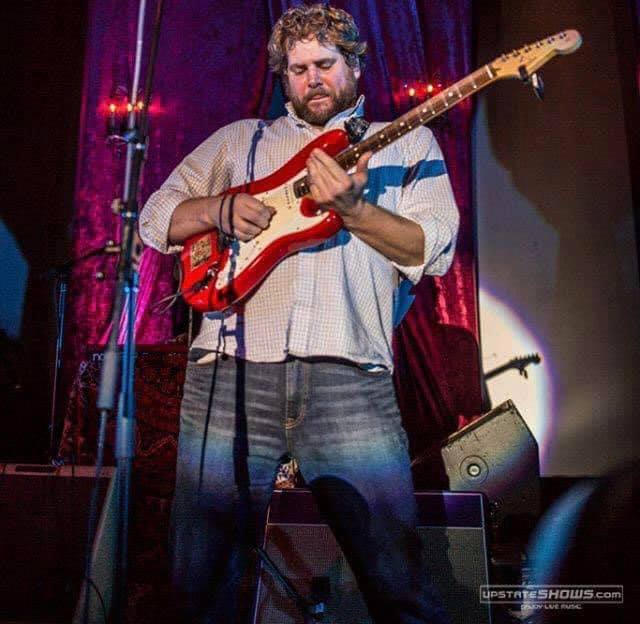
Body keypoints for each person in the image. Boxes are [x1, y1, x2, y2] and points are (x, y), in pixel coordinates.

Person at [140, 4, 459, 623]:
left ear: (355, 67)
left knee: (395, 577)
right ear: (283, 78)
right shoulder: (241, 141)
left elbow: (433, 249)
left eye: (326, 64)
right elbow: (157, 217)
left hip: (349, 378)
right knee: (200, 579)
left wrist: (357, 211)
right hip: (229, 374)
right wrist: (220, 209)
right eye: (298, 69)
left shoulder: (409, 141)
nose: (313, 79)